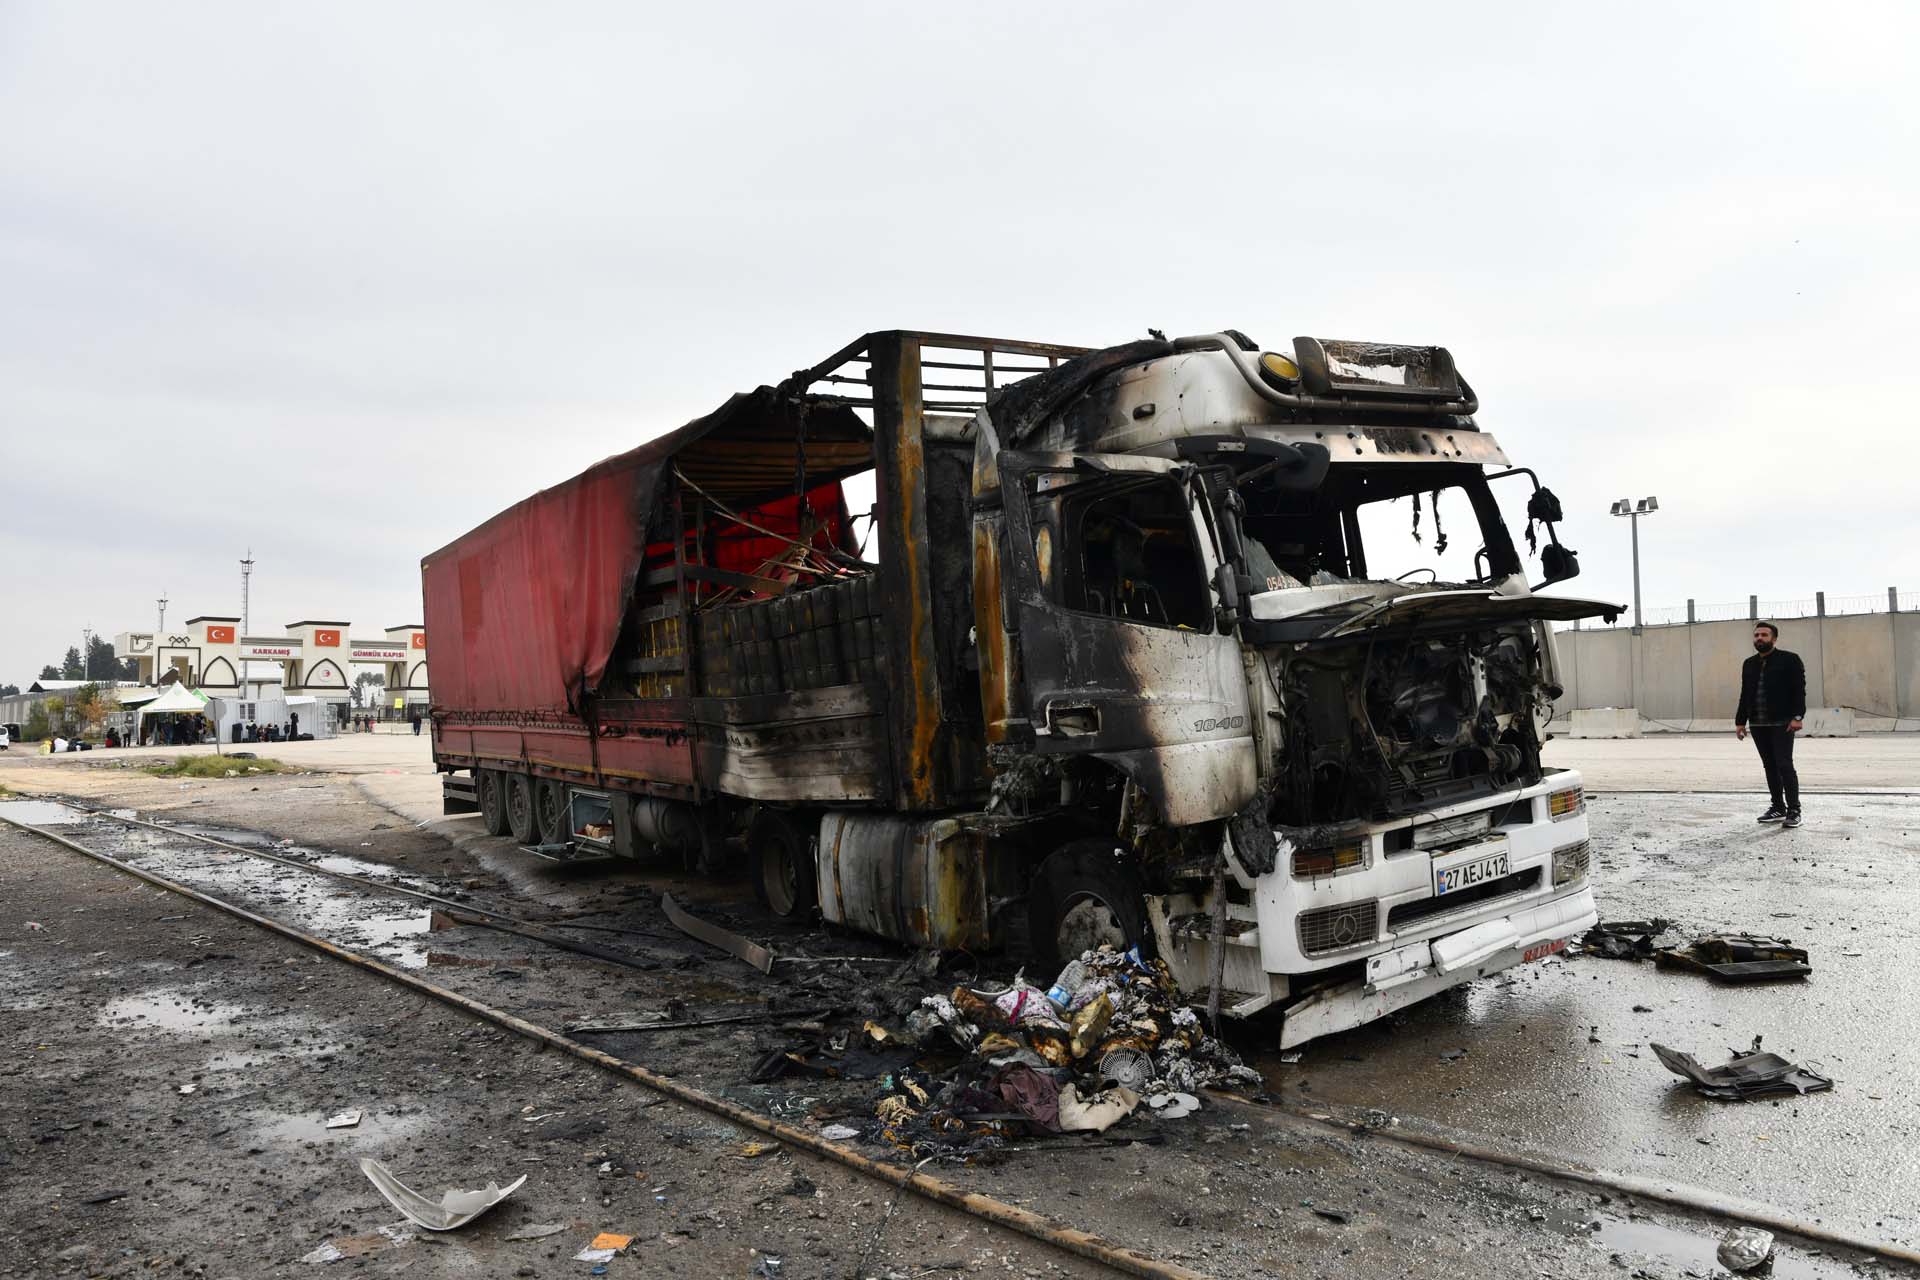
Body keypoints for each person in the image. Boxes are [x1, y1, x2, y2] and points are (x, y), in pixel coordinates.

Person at [1734, 620, 1805, 828]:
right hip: (1758, 723)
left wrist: (1798, 717)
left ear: (1774, 638)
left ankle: (1794, 810)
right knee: (1770, 766)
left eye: (1764, 635)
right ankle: (1777, 807)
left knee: (1784, 765)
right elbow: (1745, 694)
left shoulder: (1790, 660)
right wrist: (1740, 721)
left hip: (1782, 722)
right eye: (1757, 635)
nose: (1760, 639)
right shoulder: (1749, 663)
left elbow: (1799, 691)